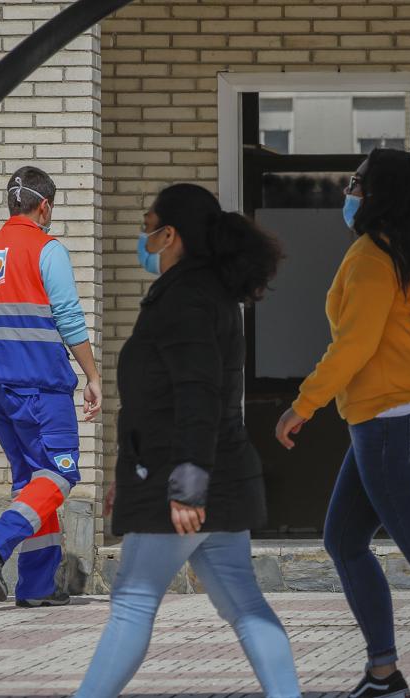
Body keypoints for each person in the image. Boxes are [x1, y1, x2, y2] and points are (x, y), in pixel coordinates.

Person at [275, 149, 410, 698]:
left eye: (357, 183)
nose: (350, 192)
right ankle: (383, 673)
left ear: (380, 193)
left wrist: (305, 403)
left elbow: (355, 344)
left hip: (396, 424)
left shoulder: (375, 254)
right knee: (344, 540)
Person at [74, 183, 300, 698]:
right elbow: (157, 400)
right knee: (244, 604)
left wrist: (187, 485)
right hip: (208, 481)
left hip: (183, 483)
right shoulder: (203, 294)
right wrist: (122, 475)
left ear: (169, 234)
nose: (142, 236)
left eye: (148, 225)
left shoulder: (187, 299)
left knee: (132, 600)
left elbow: (197, 395)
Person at [0, 166, 102, 608]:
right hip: (37, 385)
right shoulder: (47, 249)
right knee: (60, 471)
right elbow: (69, 318)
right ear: (44, 206)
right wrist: (93, 376)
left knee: (31, 482)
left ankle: (37, 588)